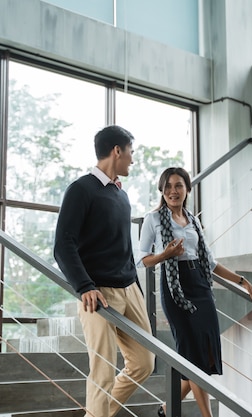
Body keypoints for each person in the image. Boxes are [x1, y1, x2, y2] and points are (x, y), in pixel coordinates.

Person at [138, 167, 252, 417]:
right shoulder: (153, 219)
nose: (173, 191)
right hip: (175, 288)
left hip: (200, 286)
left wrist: (242, 281)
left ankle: (165, 410)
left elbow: (211, 263)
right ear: (162, 191)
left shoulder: (193, 220)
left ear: (187, 189)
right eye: (168, 186)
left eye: (179, 186)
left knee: (204, 357)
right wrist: (166, 254)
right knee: (191, 357)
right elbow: (143, 260)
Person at [54, 125, 155, 417]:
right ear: (117, 151)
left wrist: (135, 285)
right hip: (97, 293)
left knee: (145, 363)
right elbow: (63, 245)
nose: (132, 161)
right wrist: (84, 286)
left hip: (129, 288)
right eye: (131, 153)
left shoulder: (121, 196)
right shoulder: (81, 189)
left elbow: (124, 247)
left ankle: (95, 414)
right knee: (103, 372)